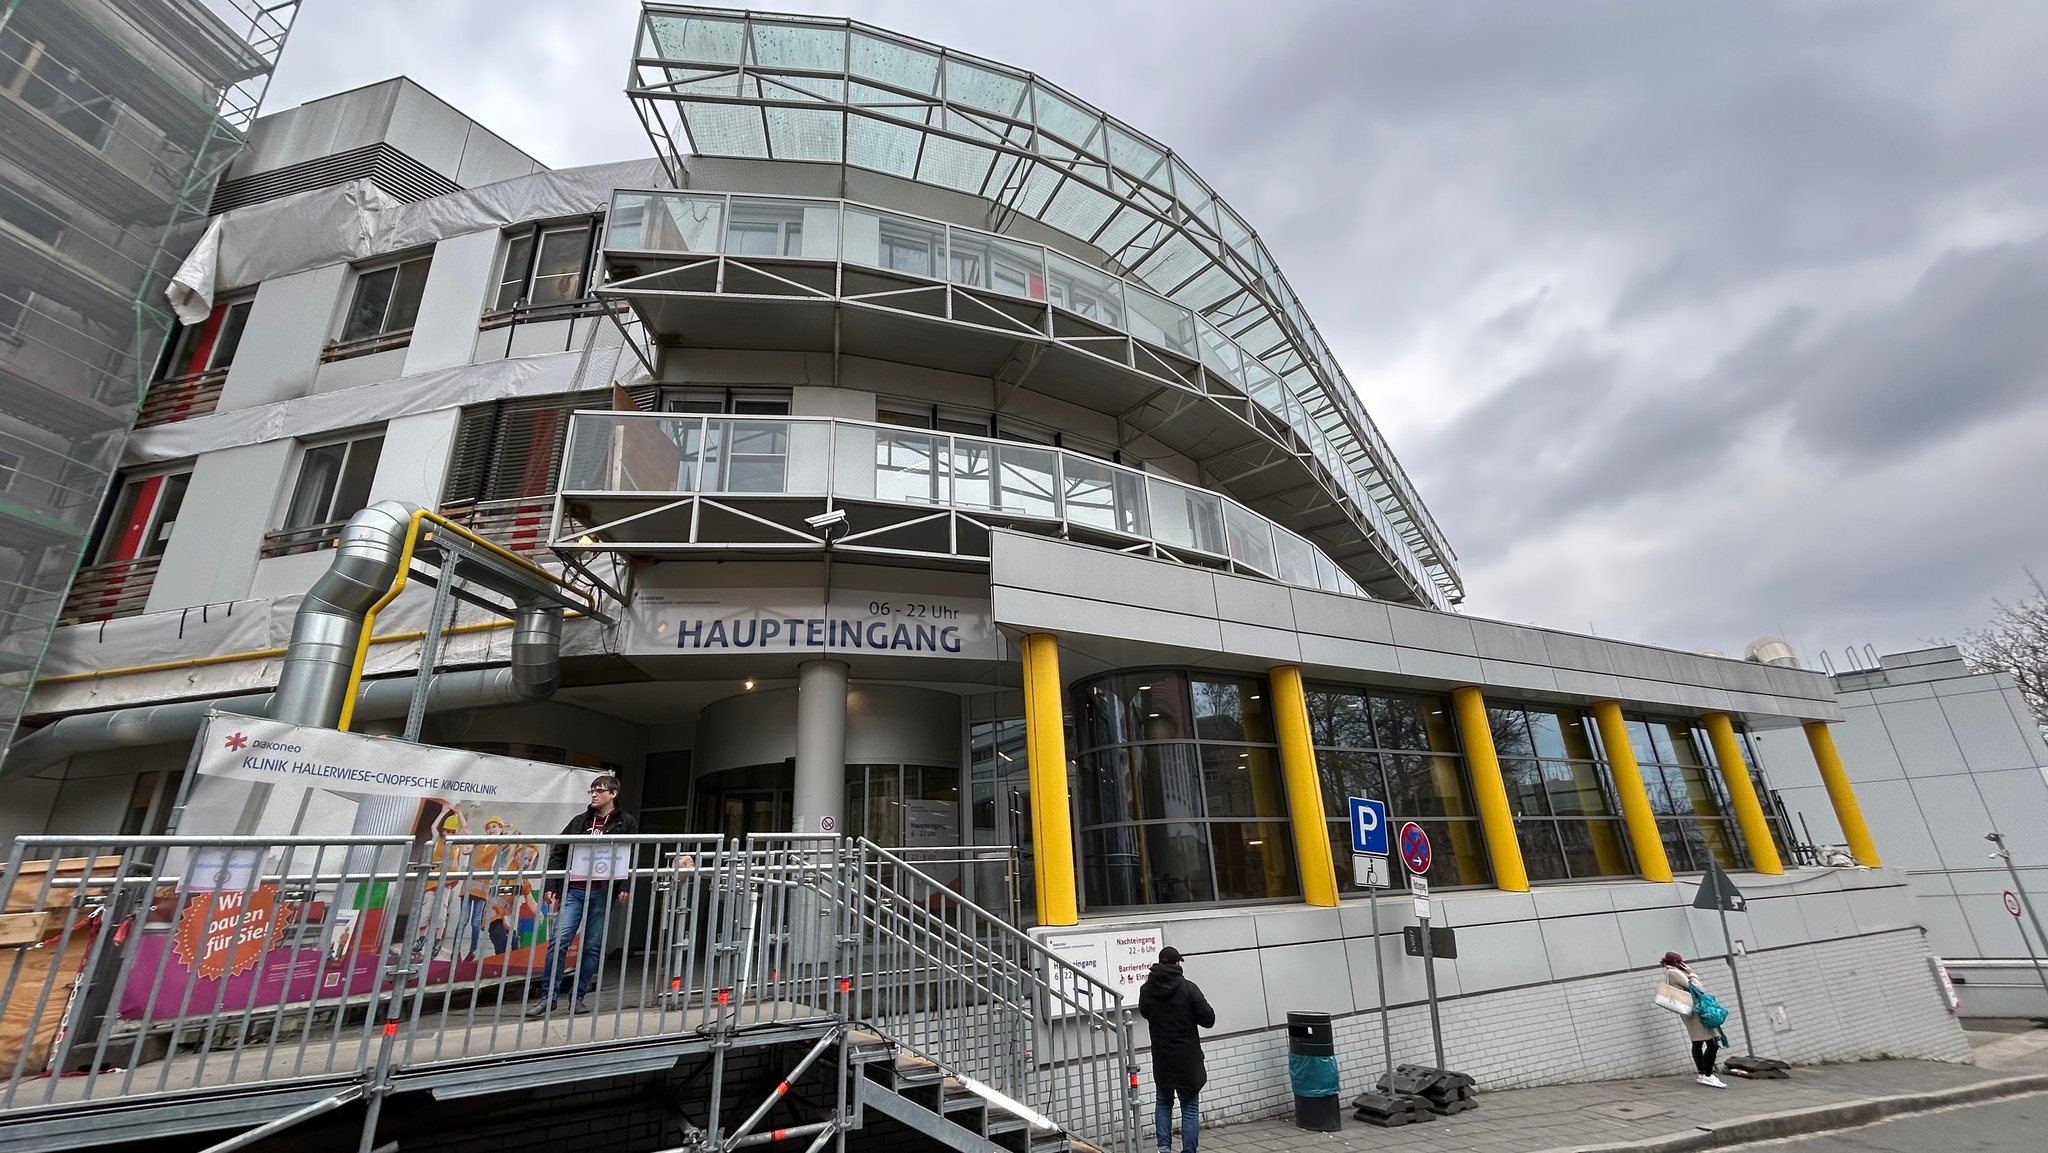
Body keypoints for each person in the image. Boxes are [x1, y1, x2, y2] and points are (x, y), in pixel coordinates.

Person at [529, 777, 638, 1016]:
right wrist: (552, 885)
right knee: (559, 941)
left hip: (602, 890)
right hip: (575, 890)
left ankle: (577, 997)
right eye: (592, 791)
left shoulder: (625, 822)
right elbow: (559, 851)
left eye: (600, 791)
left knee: (592, 946)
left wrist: (625, 885)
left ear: (613, 794)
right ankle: (548, 996)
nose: (594, 795)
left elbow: (629, 856)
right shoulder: (580, 821)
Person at [1139, 946, 1214, 1153]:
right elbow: (1209, 1019)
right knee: (1189, 1107)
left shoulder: (1147, 990)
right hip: (1187, 1059)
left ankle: (1164, 1149)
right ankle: (1189, 1151)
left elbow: (1145, 1013)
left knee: (1163, 1102)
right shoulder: (1189, 988)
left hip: (1162, 1057)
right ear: (1177, 964)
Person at [1663, 951, 1727, 1087]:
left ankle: (1703, 1073)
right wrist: (1692, 973)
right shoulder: (1674, 973)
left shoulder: (1669, 973)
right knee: (1713, 1042)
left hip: (1689, 1013)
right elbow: (1697, 988)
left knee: (1698, 1043)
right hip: (1695, 1012)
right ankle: (1707, 1074)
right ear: (1677, 963)